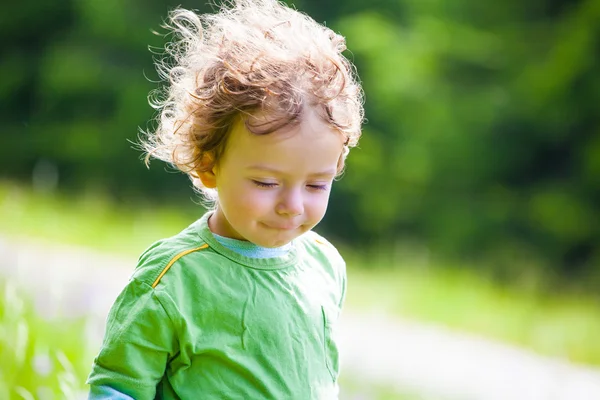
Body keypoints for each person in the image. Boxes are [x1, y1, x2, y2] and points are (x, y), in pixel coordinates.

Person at [86, 0, 364, 398]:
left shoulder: (326, 265)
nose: (293, 205)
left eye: (317, 185)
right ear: (208, 165)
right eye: (267, 183)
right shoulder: (175, 278)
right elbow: (117, 388)